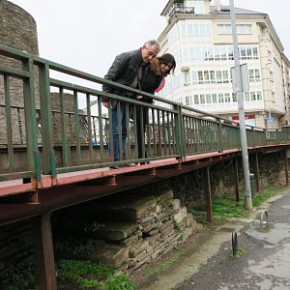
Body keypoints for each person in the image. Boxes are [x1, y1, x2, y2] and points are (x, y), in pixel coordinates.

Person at [102, 40, 160, 169]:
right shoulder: (126, 57)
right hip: (116, 97)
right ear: (143, 48)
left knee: (123, 132)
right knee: (116, 131)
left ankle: (121, 160)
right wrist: (106, 96)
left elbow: (135, 82)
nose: (150, 57)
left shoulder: (144, 64)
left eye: (153, 56)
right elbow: (109, 76)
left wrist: (137, 94)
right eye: (149, 53)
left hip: (127, 99)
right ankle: (115, 161)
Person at [133, 53, 176, 163]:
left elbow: (151, 90)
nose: (166, 68)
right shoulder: (150, 67)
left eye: (169, 67)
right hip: (136, 100)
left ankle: (142, 156)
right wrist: (137, 94)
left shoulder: (159, 74)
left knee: (142, 128)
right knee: (137, 129)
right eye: (165, 65)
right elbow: (139, 82)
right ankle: (141, 156)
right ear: (161, 61)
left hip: (145, 102)